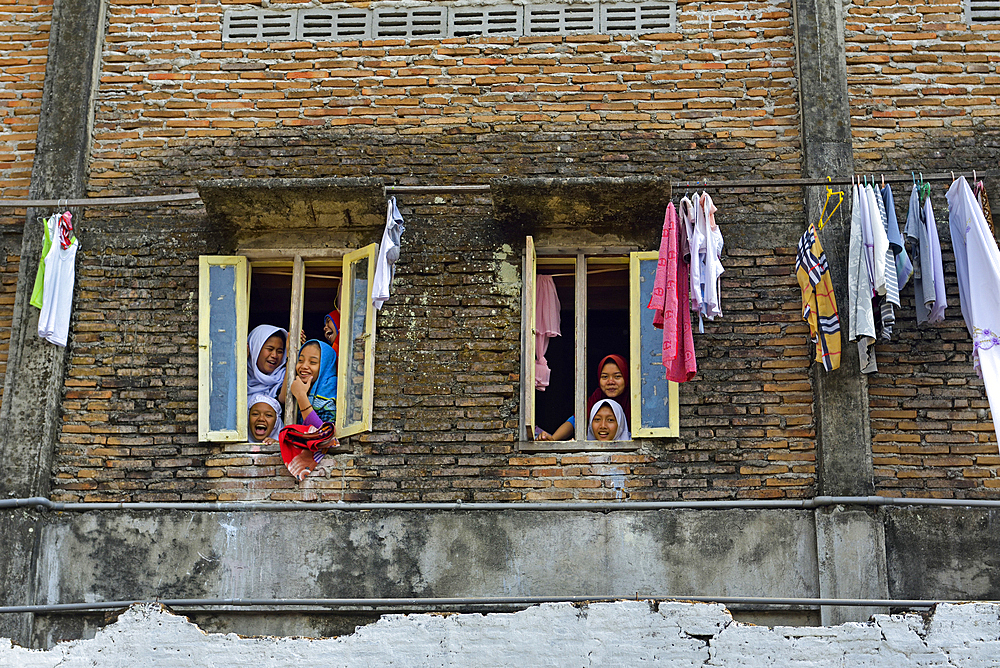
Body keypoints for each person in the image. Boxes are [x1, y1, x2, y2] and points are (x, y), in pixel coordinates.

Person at [536, 354, 631, 441]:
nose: (610, 382)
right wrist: (552, 440)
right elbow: (575, 421)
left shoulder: (635, 399)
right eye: (605, 377)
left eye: (617, 376)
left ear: (626, 378)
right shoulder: (597, 396)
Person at [247, 325, 288, 400]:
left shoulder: (283, 378)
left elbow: (284, 398)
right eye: (270, 349)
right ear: (255, 350)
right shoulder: (238, 377)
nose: (274, 355)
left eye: (279, 351)